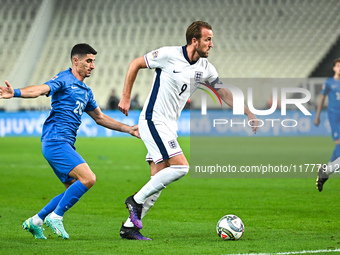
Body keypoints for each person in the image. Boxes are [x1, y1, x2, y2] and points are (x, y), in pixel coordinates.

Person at [118, 21, 258, 240]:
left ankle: (129, 227)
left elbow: (224, 93)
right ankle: (134, 201)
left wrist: (248, 112)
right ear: (195, 41)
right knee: (182, 167)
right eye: (208, 39)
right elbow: (135, 63)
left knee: (158, 180)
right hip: (153, 119)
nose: (211, 44)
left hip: (169, 126)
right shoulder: (168, 55)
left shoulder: (206, 68)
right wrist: (126, 96)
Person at [0, 43, 139, 239]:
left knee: (72, 187)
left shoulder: (86, 91)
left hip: (64, 143)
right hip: (55, 141)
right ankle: (56, 217)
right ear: (76, 61)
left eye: (93, 61)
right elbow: (40, 89)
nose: (92, 66)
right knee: (89, 178)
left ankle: (36, 220)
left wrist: (129, 129)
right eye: (88, 61)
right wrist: (15, 92)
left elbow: (100, 118)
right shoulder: (64, 79)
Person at [314, 58, 340, 191]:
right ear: (334, 68)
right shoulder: (329, 82)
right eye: (338, 66)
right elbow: (322, 98)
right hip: (334, 115)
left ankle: (328, 169)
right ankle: (328, 170)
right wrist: (317, 116)